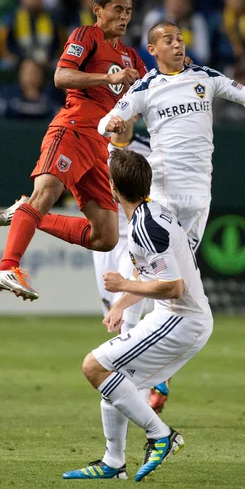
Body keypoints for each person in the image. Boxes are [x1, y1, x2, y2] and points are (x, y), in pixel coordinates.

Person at [98, 20, 245, 252]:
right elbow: (103, 124)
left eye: (180, 39)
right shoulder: (145, 87)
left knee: (179, 276)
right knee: (163, 267)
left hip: (200, 190)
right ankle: (127, 284)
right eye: (169, 41)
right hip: (164, 188)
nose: (178, 45)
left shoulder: (205, 77)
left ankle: (132, 284)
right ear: (153, 50)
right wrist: (112, 123)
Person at [0, 0, 147, 300]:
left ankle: (23, 211)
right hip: (72, 130)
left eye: (128, 11)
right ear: (98, 11)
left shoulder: (132, 57)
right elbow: (61, 76)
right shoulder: (86, 36)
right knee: (46, 192)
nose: (124, 17)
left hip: (98, 148)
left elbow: (146, 99)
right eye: (117, 9)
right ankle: (7, 266)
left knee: (106, 236)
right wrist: (108, 77)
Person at [62, 148, 213, 482]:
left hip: (180, 320)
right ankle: (113, 463)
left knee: (94, 366)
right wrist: (120, 304)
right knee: (114, 380)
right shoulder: (150, 214)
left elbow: (172, 287)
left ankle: (161, 435)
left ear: (113, 188)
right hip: (177, 316)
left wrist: (122, 284)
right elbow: (154, 279)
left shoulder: (146, 228)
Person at [92, 115, 151, 329]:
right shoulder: (93, 149)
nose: (119, 116)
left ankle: (129, 360)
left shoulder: (150, 150)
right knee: (111, 317)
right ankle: (126, 359)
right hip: (102, 239)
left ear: (136, 114)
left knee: (126, 314)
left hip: (134, 237)